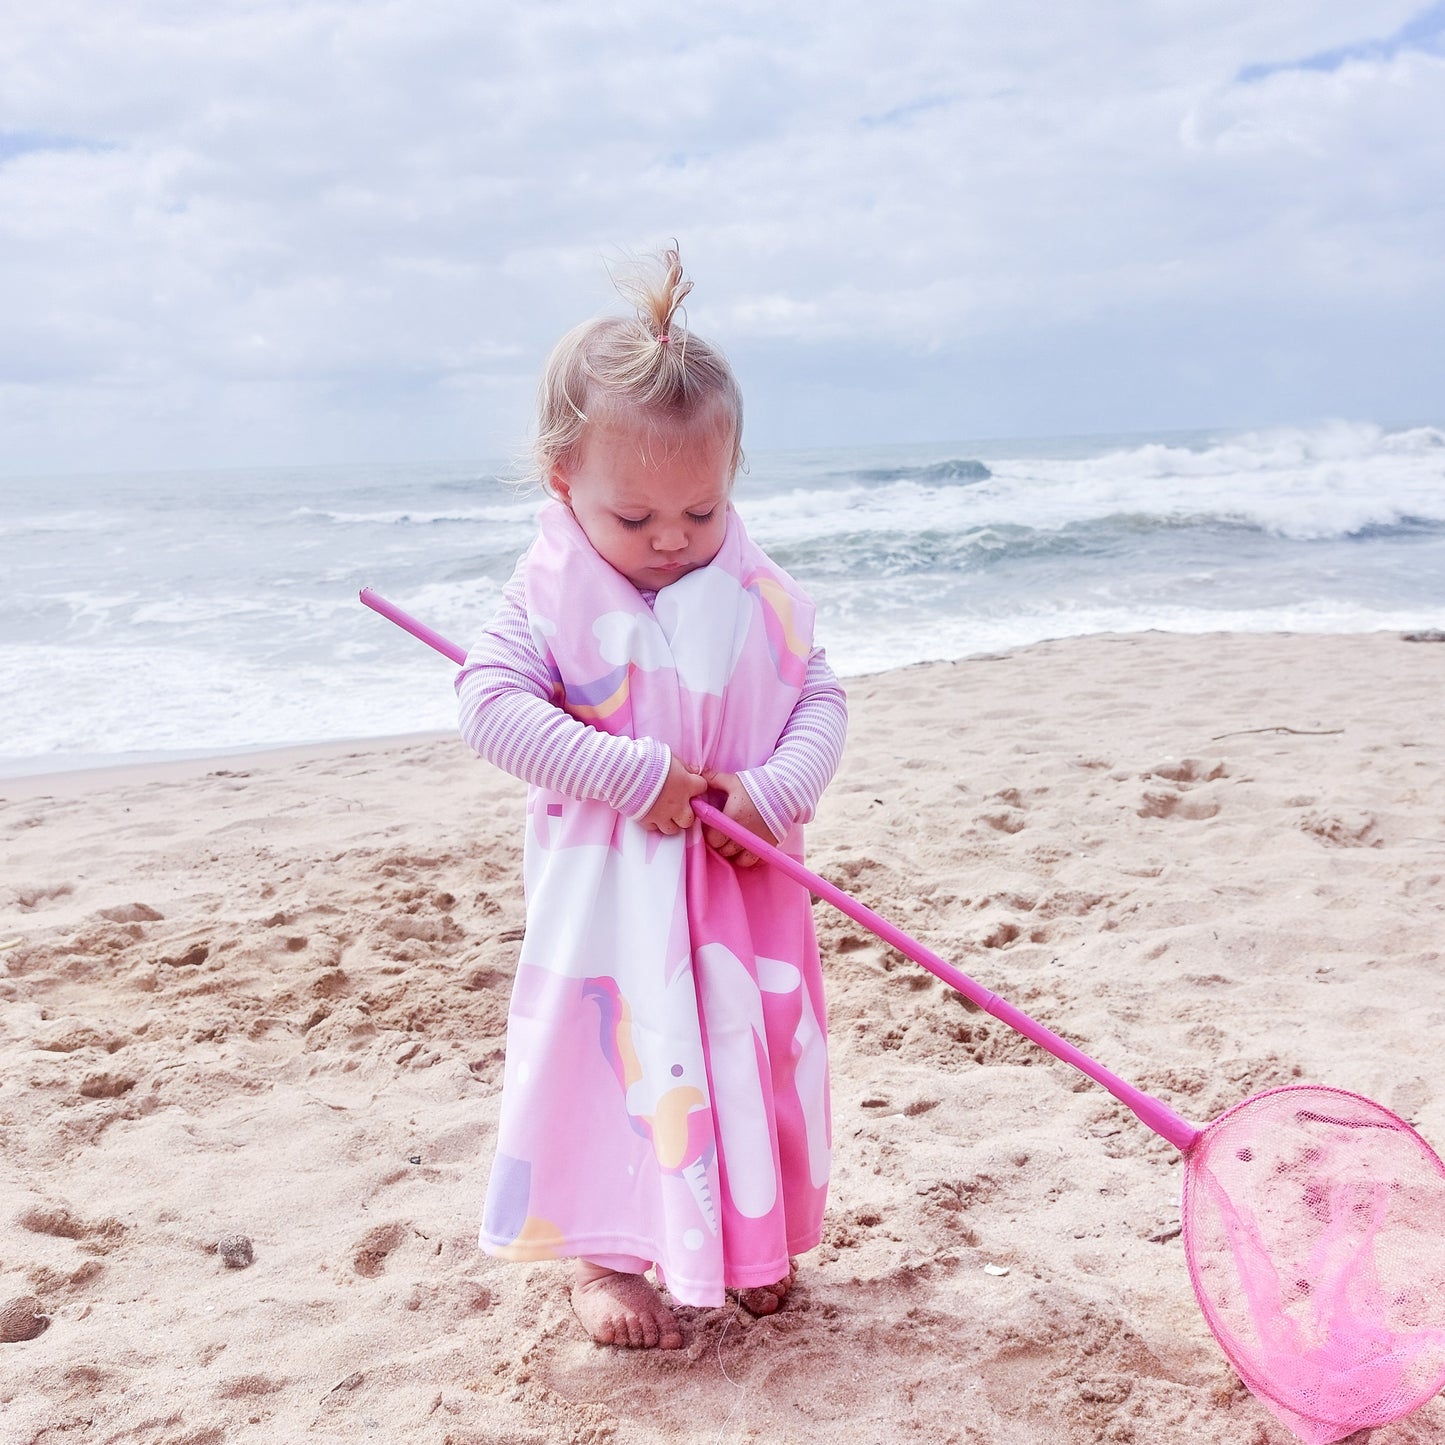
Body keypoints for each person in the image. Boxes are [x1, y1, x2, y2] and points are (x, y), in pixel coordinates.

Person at [456, 246, 847, 1351]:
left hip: (735, 898)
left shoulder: (753, 590)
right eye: (633, 518)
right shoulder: (542, 600)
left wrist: (773, 791)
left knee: (742, 1057)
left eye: (700, 509)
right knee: (621, 1067)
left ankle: (745, 1244)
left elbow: (819, 695)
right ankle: (609, 1257)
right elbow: (488, 708)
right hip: (611, 916)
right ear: (561, 483)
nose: (670, 539)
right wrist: (630, 773)